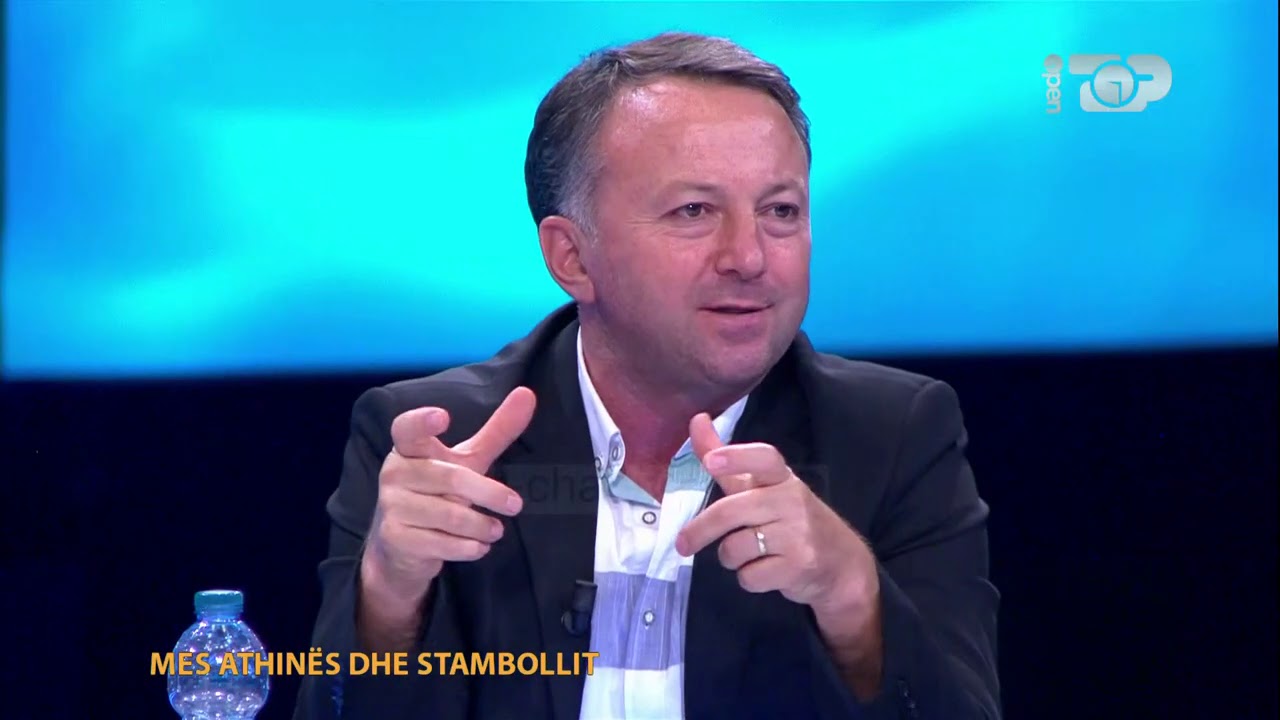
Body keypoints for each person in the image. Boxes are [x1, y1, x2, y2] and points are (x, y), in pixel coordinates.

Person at [294, 31, 1000, 720]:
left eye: (780, 211)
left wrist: (852, 592)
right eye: (694, 211)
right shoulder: (436, 446)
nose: (749, 257)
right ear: (572, 257)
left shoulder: (891, 437)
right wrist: (388, 594)